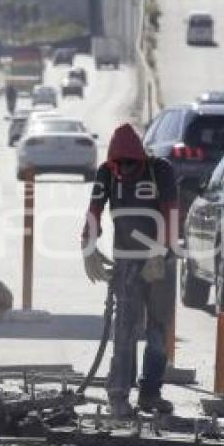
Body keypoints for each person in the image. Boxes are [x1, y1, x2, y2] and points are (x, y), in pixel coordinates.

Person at [81, 123, 178, 419]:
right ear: (112, 160)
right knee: (124, 329)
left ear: (140, 158)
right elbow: (94, 210)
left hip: (160, 263)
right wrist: (88, 247)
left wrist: (160, 252)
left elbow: (171, 212)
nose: (123, 168)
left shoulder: (160, 170)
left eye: (129, 163)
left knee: (158, 331)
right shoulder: (106, 173)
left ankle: (150, 393)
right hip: (126, 263)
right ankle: (118, 395)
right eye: (118, 163)